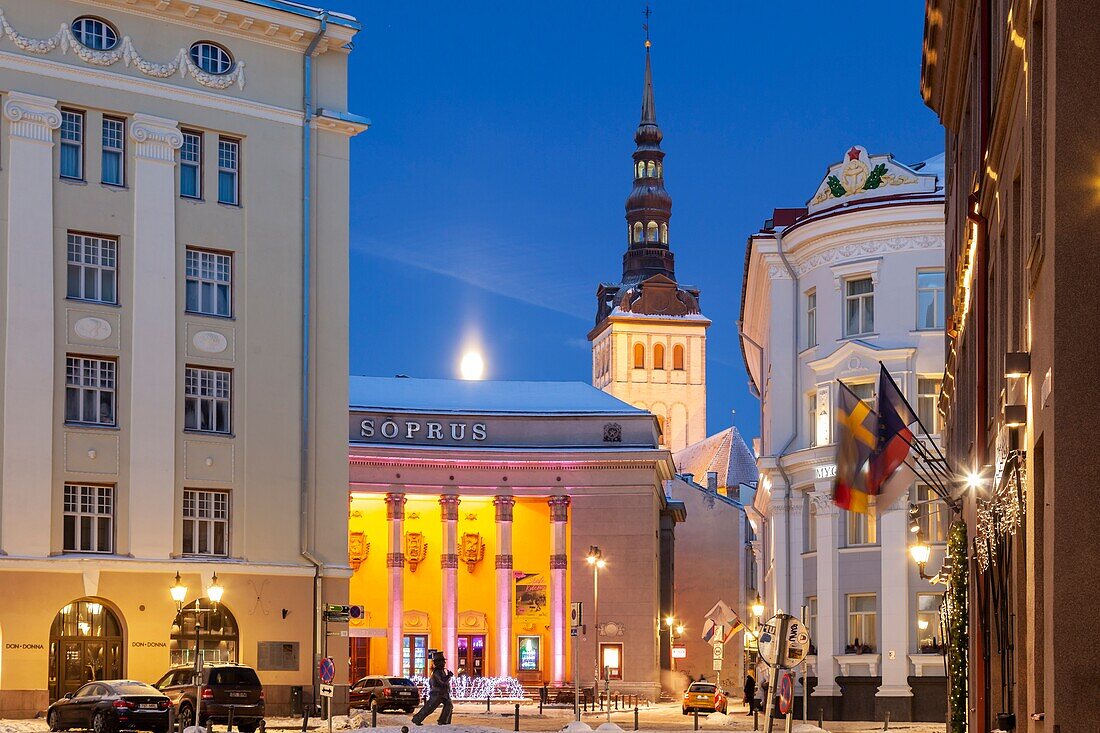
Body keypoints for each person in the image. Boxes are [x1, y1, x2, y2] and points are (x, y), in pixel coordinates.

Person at [411, 651, 453, 726]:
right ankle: (417, 719)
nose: (444, 663)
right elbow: (441, 682)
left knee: (449, 705)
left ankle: (444, 721)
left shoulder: (441, 671)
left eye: (444, 661)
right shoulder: (436, 672)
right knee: (430, 708)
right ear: (437, 663)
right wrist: (448, 676)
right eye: (442, 661)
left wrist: (447, 677)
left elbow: (444, 682)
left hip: (443, 693)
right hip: (437, 693)